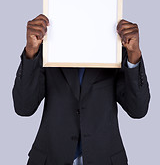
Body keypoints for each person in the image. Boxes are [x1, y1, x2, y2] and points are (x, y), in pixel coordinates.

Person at [12, 14, 150, 165]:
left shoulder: (117, 48)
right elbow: (24, 107)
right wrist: (31, 51)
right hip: (50, 158)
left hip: (105, 158)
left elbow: (138, 110)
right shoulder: (46, 46)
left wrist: (134, 55)